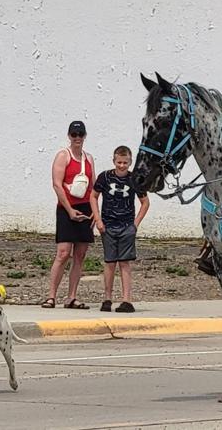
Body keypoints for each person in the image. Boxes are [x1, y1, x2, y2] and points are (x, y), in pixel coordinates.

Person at [90, 146, 150, 313]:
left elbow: (145, 202)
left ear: (130, 162)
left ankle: (126, 300)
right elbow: (93, 196)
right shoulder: (105, 177)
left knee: (124, 262)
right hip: (108, 225)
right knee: (109, 262)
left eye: (125, 162)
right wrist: (98, 219)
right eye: (119, 162)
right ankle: (107, 298)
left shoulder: (134, 179)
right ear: (114, 161)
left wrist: (135, 224)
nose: (122, 165)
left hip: (126, 226)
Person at [42, 121, 95, 309]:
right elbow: (57, 184)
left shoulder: (88, 159)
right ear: (69, 136)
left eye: (81, 134)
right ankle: (51, 296)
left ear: (85, 136)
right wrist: (69, 210)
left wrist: (95, 213)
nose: (77, 138)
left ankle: (71, 296)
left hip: (85, 208)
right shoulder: (63, 156)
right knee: (63, 253)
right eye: (74, 134)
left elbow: (93, 188)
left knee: (80, 254)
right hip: (67, 208)